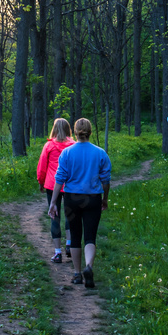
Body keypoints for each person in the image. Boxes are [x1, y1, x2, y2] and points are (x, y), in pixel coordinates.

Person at [48, 118, 111, 288]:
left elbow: (59, 179)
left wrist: (53, 202)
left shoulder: (67, 153)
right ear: (90, 132)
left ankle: (77, 274)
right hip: (93, 198)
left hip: (72, 198)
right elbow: (105, 180)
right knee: (90, 236)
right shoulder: (100, 153)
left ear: (74, 132)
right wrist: (105, 198)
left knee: (75, 236)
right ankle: (88, 267)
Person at [36, 118, 74, 263]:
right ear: (68, 129)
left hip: (52, 185)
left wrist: (41, 182)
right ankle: (69, 245)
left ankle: (57, 253)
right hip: (70, 185)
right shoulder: (73, 145)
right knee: (70, 214)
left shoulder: (49, 146)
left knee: (55, 216)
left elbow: (42, 167)